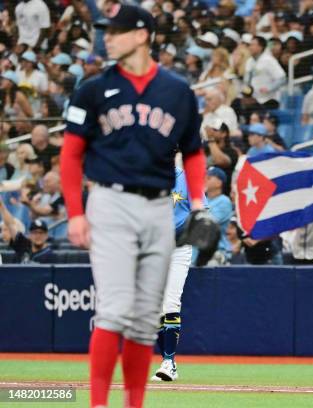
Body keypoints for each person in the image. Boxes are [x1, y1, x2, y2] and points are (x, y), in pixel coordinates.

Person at [59, 5, 205, 408]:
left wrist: (199, 204)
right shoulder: (92, 89)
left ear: (142, 35)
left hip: (159, 207)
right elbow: (70, 156)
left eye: (116, 31)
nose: (108, 37)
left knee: (143, 321)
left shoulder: (177, 91)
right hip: (111, 201)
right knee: (114, 309)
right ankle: (99, 404)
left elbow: (193, 154)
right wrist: (75, 212)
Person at [151, 167, 202, 382]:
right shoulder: (146, 174)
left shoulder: (189, 177)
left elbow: (200, 212)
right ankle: (167, 361)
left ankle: (169, 362)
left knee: (171, 303)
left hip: (179, 247)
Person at [0, 198, 56, 264]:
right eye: (35, 233)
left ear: (46, 235)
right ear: (30, 235)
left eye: (41, 233)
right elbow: (10, 224)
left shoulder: (50, 255)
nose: (38, 236)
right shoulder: (24, 245)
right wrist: (1, 206)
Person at [244, 36, 286, 108]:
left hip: (270, 99)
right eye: (249, 45)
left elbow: (282, 78)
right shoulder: (249, 61)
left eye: (253, 45)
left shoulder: (269, 60)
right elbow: (247, 81)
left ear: (260, 47)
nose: (250, 47)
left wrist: (269, 88)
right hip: (255, 99)